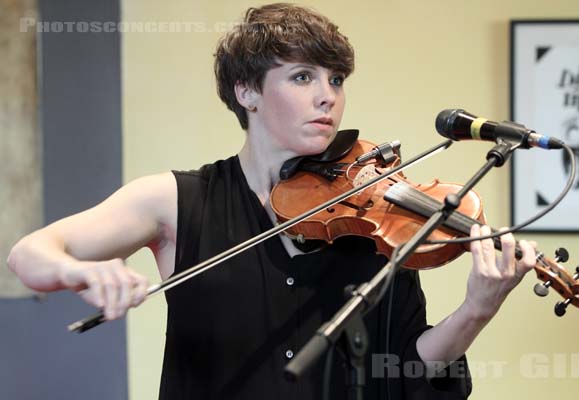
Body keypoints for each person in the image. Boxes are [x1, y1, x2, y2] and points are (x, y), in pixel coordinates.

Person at [7, 3, 536, 399]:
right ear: (247, 91)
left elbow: (405, 371)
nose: (327, 95)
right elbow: (30, 254)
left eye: (335, 79)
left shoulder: (375, 212)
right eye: (302, 77)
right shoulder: (176, 200)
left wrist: (476, 310)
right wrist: (86, 274)